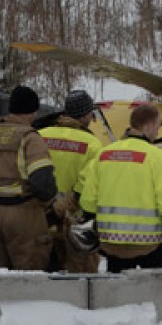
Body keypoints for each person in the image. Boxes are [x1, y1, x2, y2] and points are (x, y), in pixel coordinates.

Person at [79, 103, 162, 273]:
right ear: (150, 125)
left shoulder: (104, 155)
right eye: (158, 127)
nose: (158, 132)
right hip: (148, 245)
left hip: (111, 246)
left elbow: (87, 204)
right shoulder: (157, 158)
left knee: (118, 290)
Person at [0, 85, 57, 271]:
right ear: (33, 112)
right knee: (28, 276)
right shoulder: (30, 138)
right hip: (23, 215)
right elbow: (43, 184)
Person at [39, 90, 102, 273]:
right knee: (80, 278)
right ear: (85, 114)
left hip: (43, 218)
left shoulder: (41, 135)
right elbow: (90, 184)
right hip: (75, 223)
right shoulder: (92, 144)